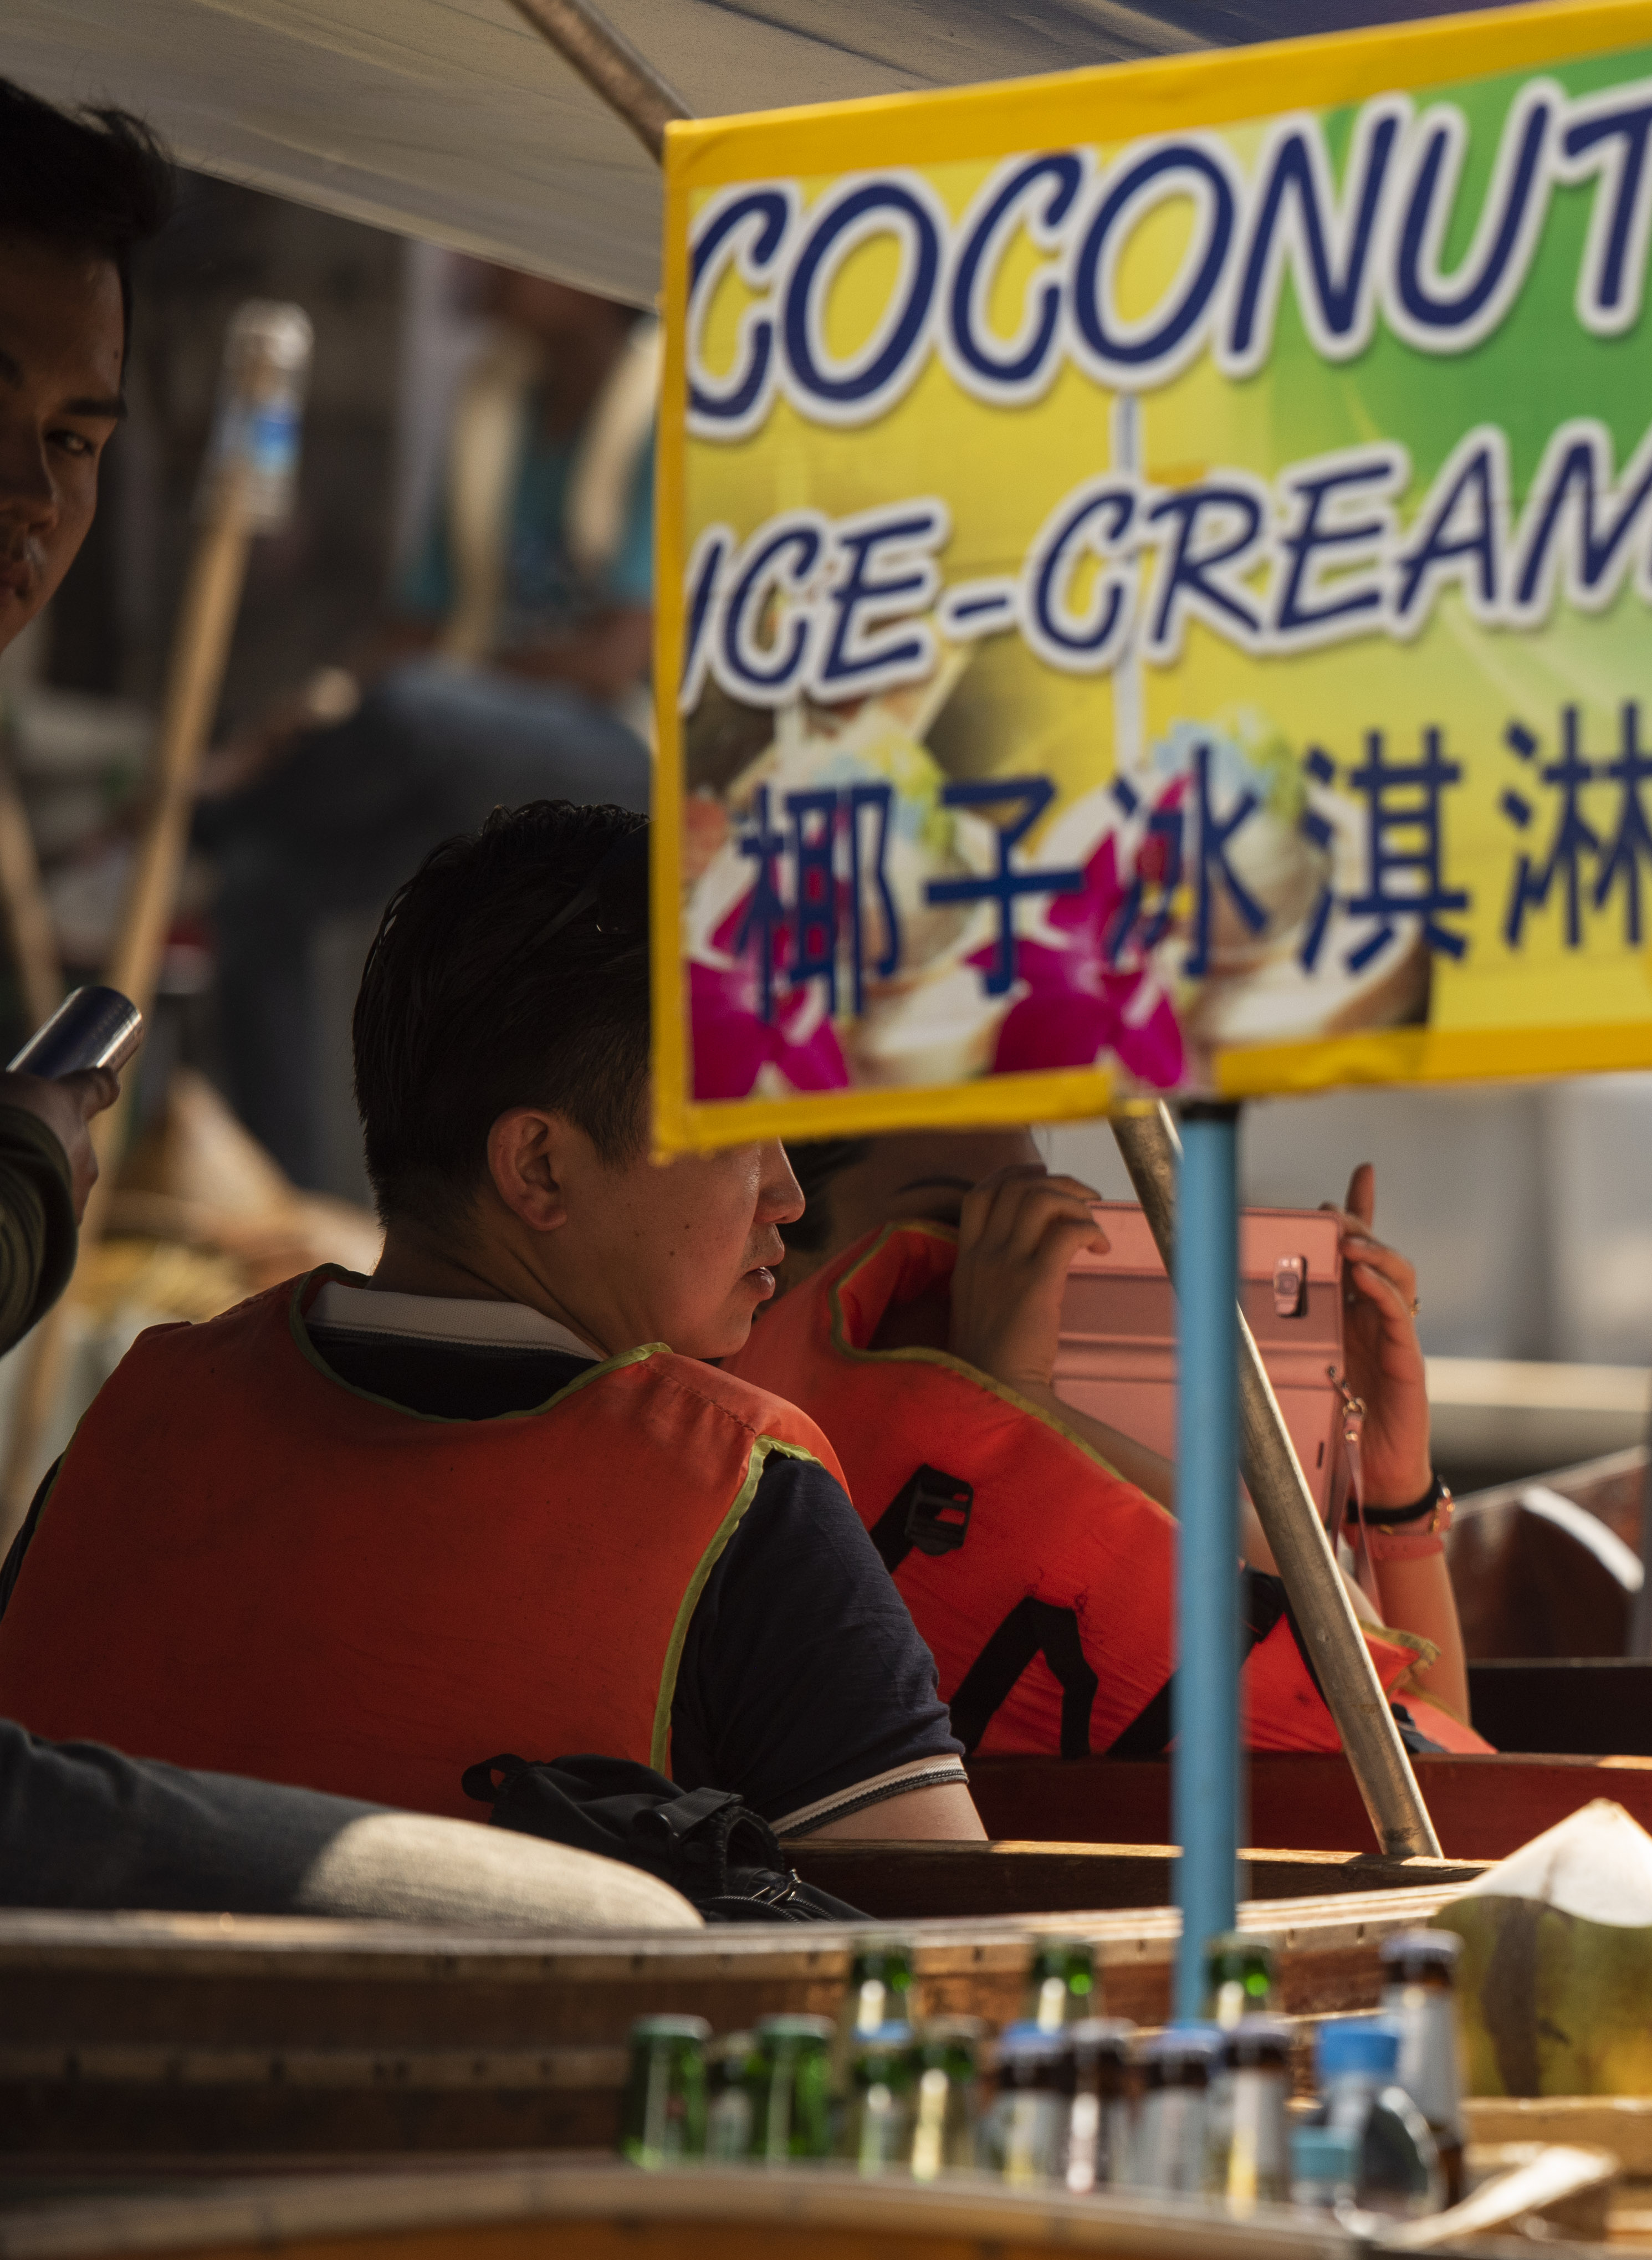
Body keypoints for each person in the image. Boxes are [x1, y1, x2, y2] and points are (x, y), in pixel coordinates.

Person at [0, 82, 689, 1926]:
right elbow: (406, 629)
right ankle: (330, 1166)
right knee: (272, 836)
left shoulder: (645, 402)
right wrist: (257, 749)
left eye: (72, 441)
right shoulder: (487, 420)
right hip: (438, 717)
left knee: (376, 737)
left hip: (580, 747)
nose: (36, 503)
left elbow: (632, 643)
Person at [0, 799, 983, 1845]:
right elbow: (930, 1955)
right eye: (745, 1130)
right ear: (540, 1167)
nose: (787, 1193)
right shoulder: (743, 1495)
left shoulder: (144, 1407)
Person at [746, 1130, 1652, 1771]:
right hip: (1362, 1904)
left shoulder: (1054, 1432)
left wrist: (1391, 1483)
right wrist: (1011, 1408)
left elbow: (1418, 1724)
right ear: (790, 1248)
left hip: (1423, 1840)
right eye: (964, 1226)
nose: (1020, 1261)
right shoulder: (811, 1506)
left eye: (1043, 1211)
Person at [196, 267, 657, 1186]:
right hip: (464, 747)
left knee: (413, 713)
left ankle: (207, 817)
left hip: (623, 752)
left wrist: (396, 698)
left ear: (593, 278)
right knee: (258, 888)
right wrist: (318, 710)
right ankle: (288, 1201)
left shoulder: (666, 411)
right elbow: (412, 625)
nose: (480, 261)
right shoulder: (498, 402)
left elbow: (617, 654)